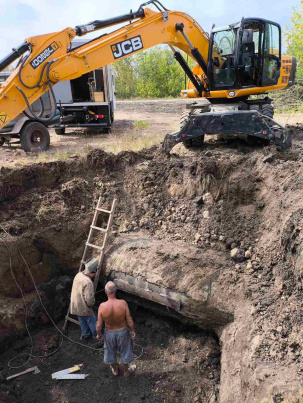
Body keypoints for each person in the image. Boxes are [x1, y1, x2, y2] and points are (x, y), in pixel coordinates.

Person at [97, 281, 136, 376]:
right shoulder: (123, 303)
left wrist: (98, 334)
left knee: (110, 352)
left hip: (109, 333)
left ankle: (115, 370)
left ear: (106, 291)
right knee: (125, 351)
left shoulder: (102, 306)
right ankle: (126, 371)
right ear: (116, 291)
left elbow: (99, 324)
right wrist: (132, 331)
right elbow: (129, 319)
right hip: (122, 331)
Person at [70, 265, 97, 340]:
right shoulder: (88, 282)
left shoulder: (78, 275)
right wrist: (92, 304)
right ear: (92, 273)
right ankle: (97, 336)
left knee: (82, 320)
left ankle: (86, 335)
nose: (95, 275)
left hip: (75, 305)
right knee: (92, 321)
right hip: (83, 307)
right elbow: (89, 300)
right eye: (94, 274)